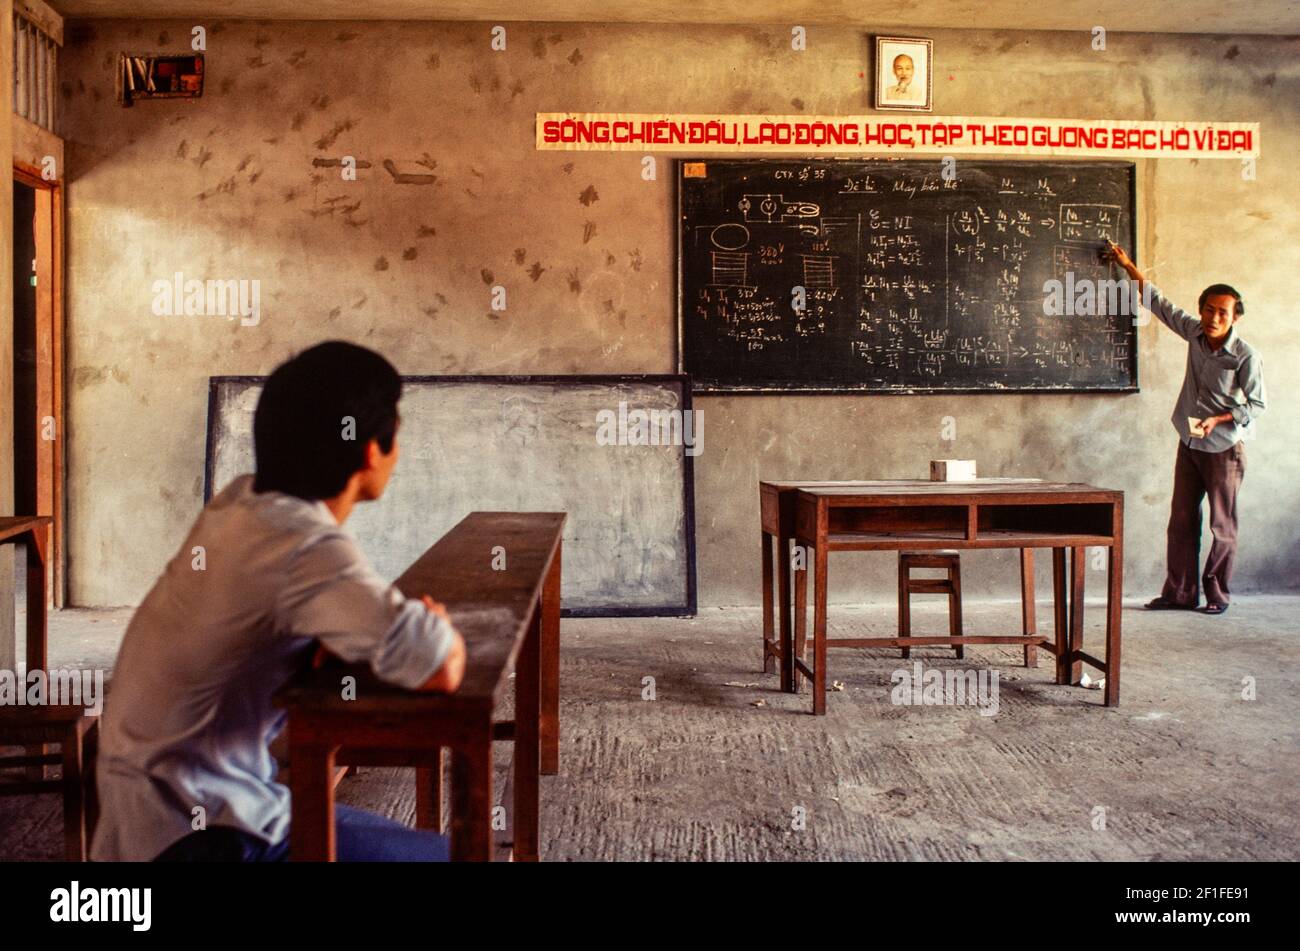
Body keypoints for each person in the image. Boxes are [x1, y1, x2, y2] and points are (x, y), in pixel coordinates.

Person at [91, 341, 467, 861]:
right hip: (204, 835)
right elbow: (438, 664)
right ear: (370, 450)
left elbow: (310, 626)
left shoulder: (239, 504)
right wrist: (432, 621)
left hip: (146, 819)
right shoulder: (304, 545)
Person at [1105, 242, 1266, 616]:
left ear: (1235, 318)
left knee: (1222, 526)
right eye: (1209, 310)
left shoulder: (1245, 356)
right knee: (1180, 520)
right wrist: (1127, 264)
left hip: (1224, 449)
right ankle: (1179, 593)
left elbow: (1257, 405)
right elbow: (1158, 302)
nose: (1214, 318)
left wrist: (1220, 418)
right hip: (1189, 442)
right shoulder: (1194, 333)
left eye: (1222, 313)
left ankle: (1217, 596)